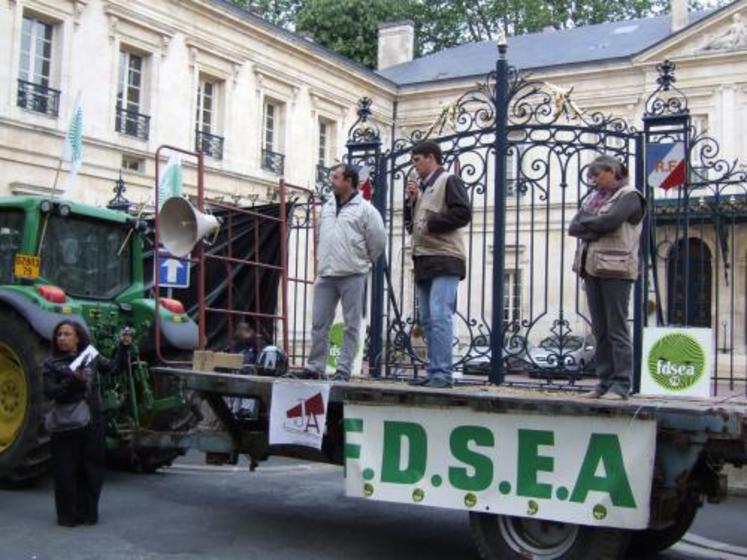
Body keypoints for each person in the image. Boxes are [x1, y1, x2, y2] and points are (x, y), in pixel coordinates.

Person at [569, 155, 646, 400]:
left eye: (597, 176)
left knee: (617, 328)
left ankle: (621, 385)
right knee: (600, 329)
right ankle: (604, 382)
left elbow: (611, 222)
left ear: (612, 171)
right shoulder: (594, 198)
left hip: (617, 269)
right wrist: (597, 224)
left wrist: (591, 224)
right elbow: (573, 227)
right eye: (592, 177)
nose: (594, 182)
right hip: (591, 267)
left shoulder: (630, 196)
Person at [302, 163, 386, 381]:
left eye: (336, 177)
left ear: (349, 181)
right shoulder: (328, 207)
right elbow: (322, 234)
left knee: (351, 325)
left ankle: (343, 369)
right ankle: (315, 366)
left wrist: (364, 260)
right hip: (327, 273)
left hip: (352, 273)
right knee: (319, 323)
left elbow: (378, 240)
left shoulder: (366, 209)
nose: (332, 181)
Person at [43, 320, 130, 527]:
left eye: (67, 334)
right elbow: (50, 392)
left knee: (92, 469)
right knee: (65, 470)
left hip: (92, 421)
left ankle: (88, 513)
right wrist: (73, 380)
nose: (62, 338)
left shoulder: (90, 356)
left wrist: (124, 347)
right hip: (66, 424)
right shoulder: (51, 363)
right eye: (59, 334)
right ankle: (67, 516)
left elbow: (114, 369)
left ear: (78, 338)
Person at [404, 141, 471, 388]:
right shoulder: (424, 189)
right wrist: (411, 201)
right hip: (424, 260)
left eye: (417, 160)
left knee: (440, 314)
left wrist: (432, 224)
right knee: (428, 318)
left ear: (431, 158)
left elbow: (463, 213)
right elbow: (412, 227)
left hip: (445, 258)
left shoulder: (448, 181)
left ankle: (442, 373)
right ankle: (434, 371)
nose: (414, 165)